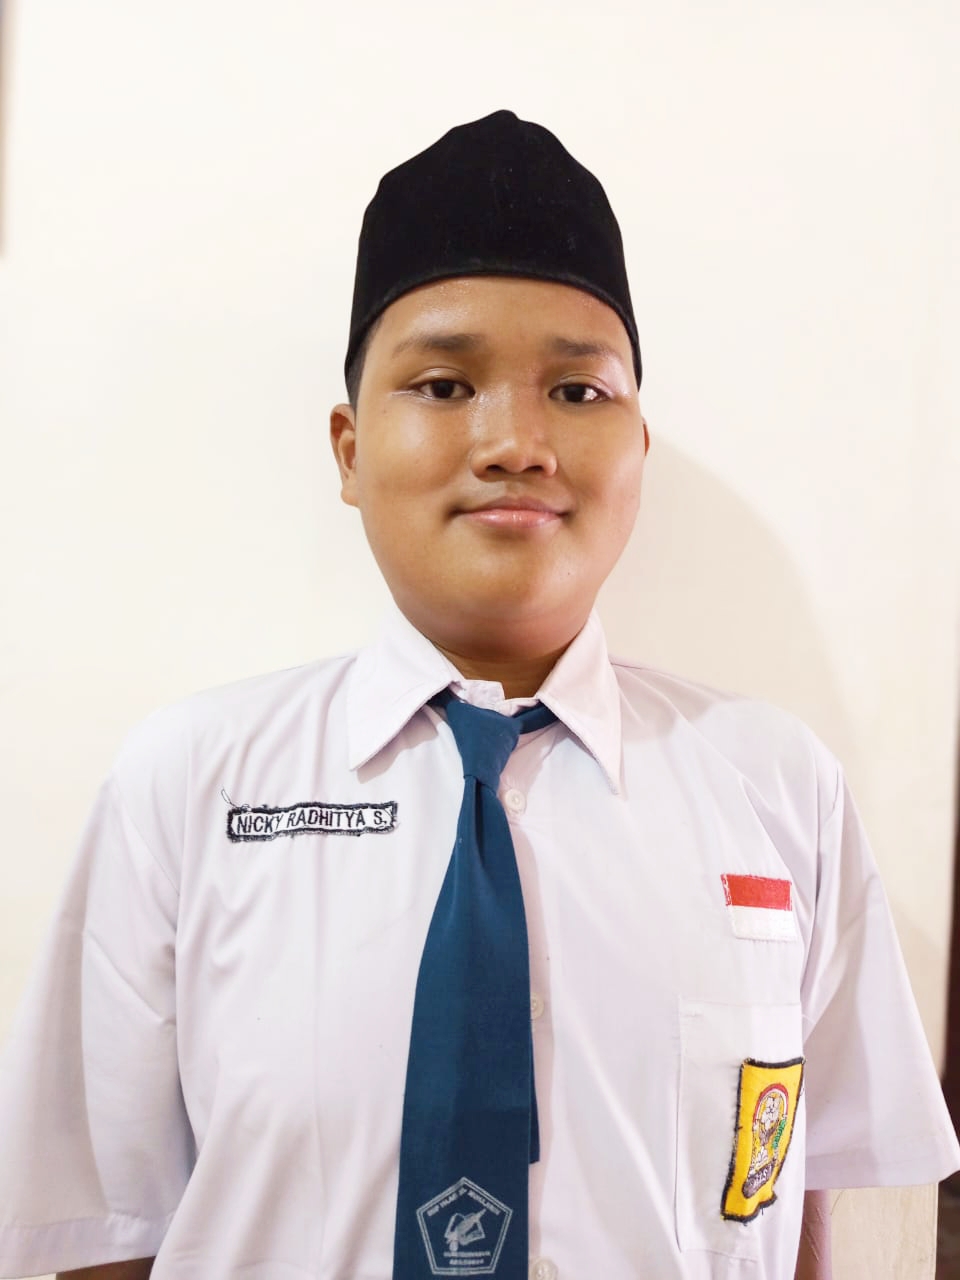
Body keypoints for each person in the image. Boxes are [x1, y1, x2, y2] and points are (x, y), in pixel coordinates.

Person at [0, 108, 956, 1280]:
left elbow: (799, 1198)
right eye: (446, 383)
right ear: (350, 449)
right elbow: (108, 1233)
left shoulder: (775, 783)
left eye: (579, 391)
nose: (516, 443)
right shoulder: (189, 785)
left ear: (639, 449)